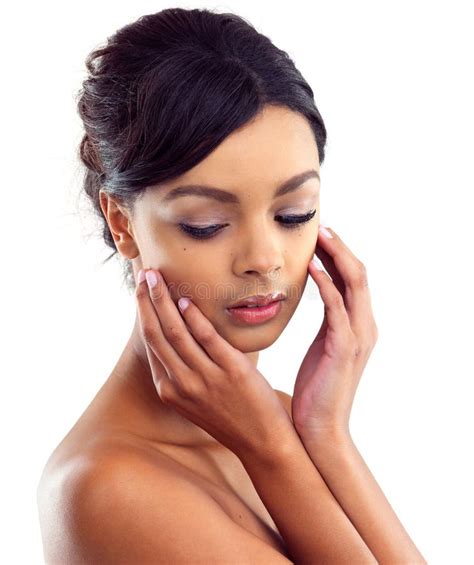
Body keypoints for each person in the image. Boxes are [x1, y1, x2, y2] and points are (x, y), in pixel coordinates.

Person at [36, 7, 427, 564]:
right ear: (123, 224)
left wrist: (326, 433)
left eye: (294, 213)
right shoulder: (109, 487)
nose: (264, 259)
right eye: (206, 225)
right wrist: (273, 452)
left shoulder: (283, 424)